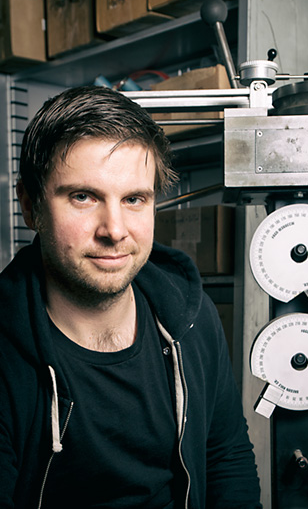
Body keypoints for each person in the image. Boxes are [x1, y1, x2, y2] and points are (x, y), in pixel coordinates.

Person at [0, 85, 262, 508]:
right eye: (83, 197)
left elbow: (225, 456)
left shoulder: (189, 317)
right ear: (30, 207)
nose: (115, 230)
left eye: (134, 199)